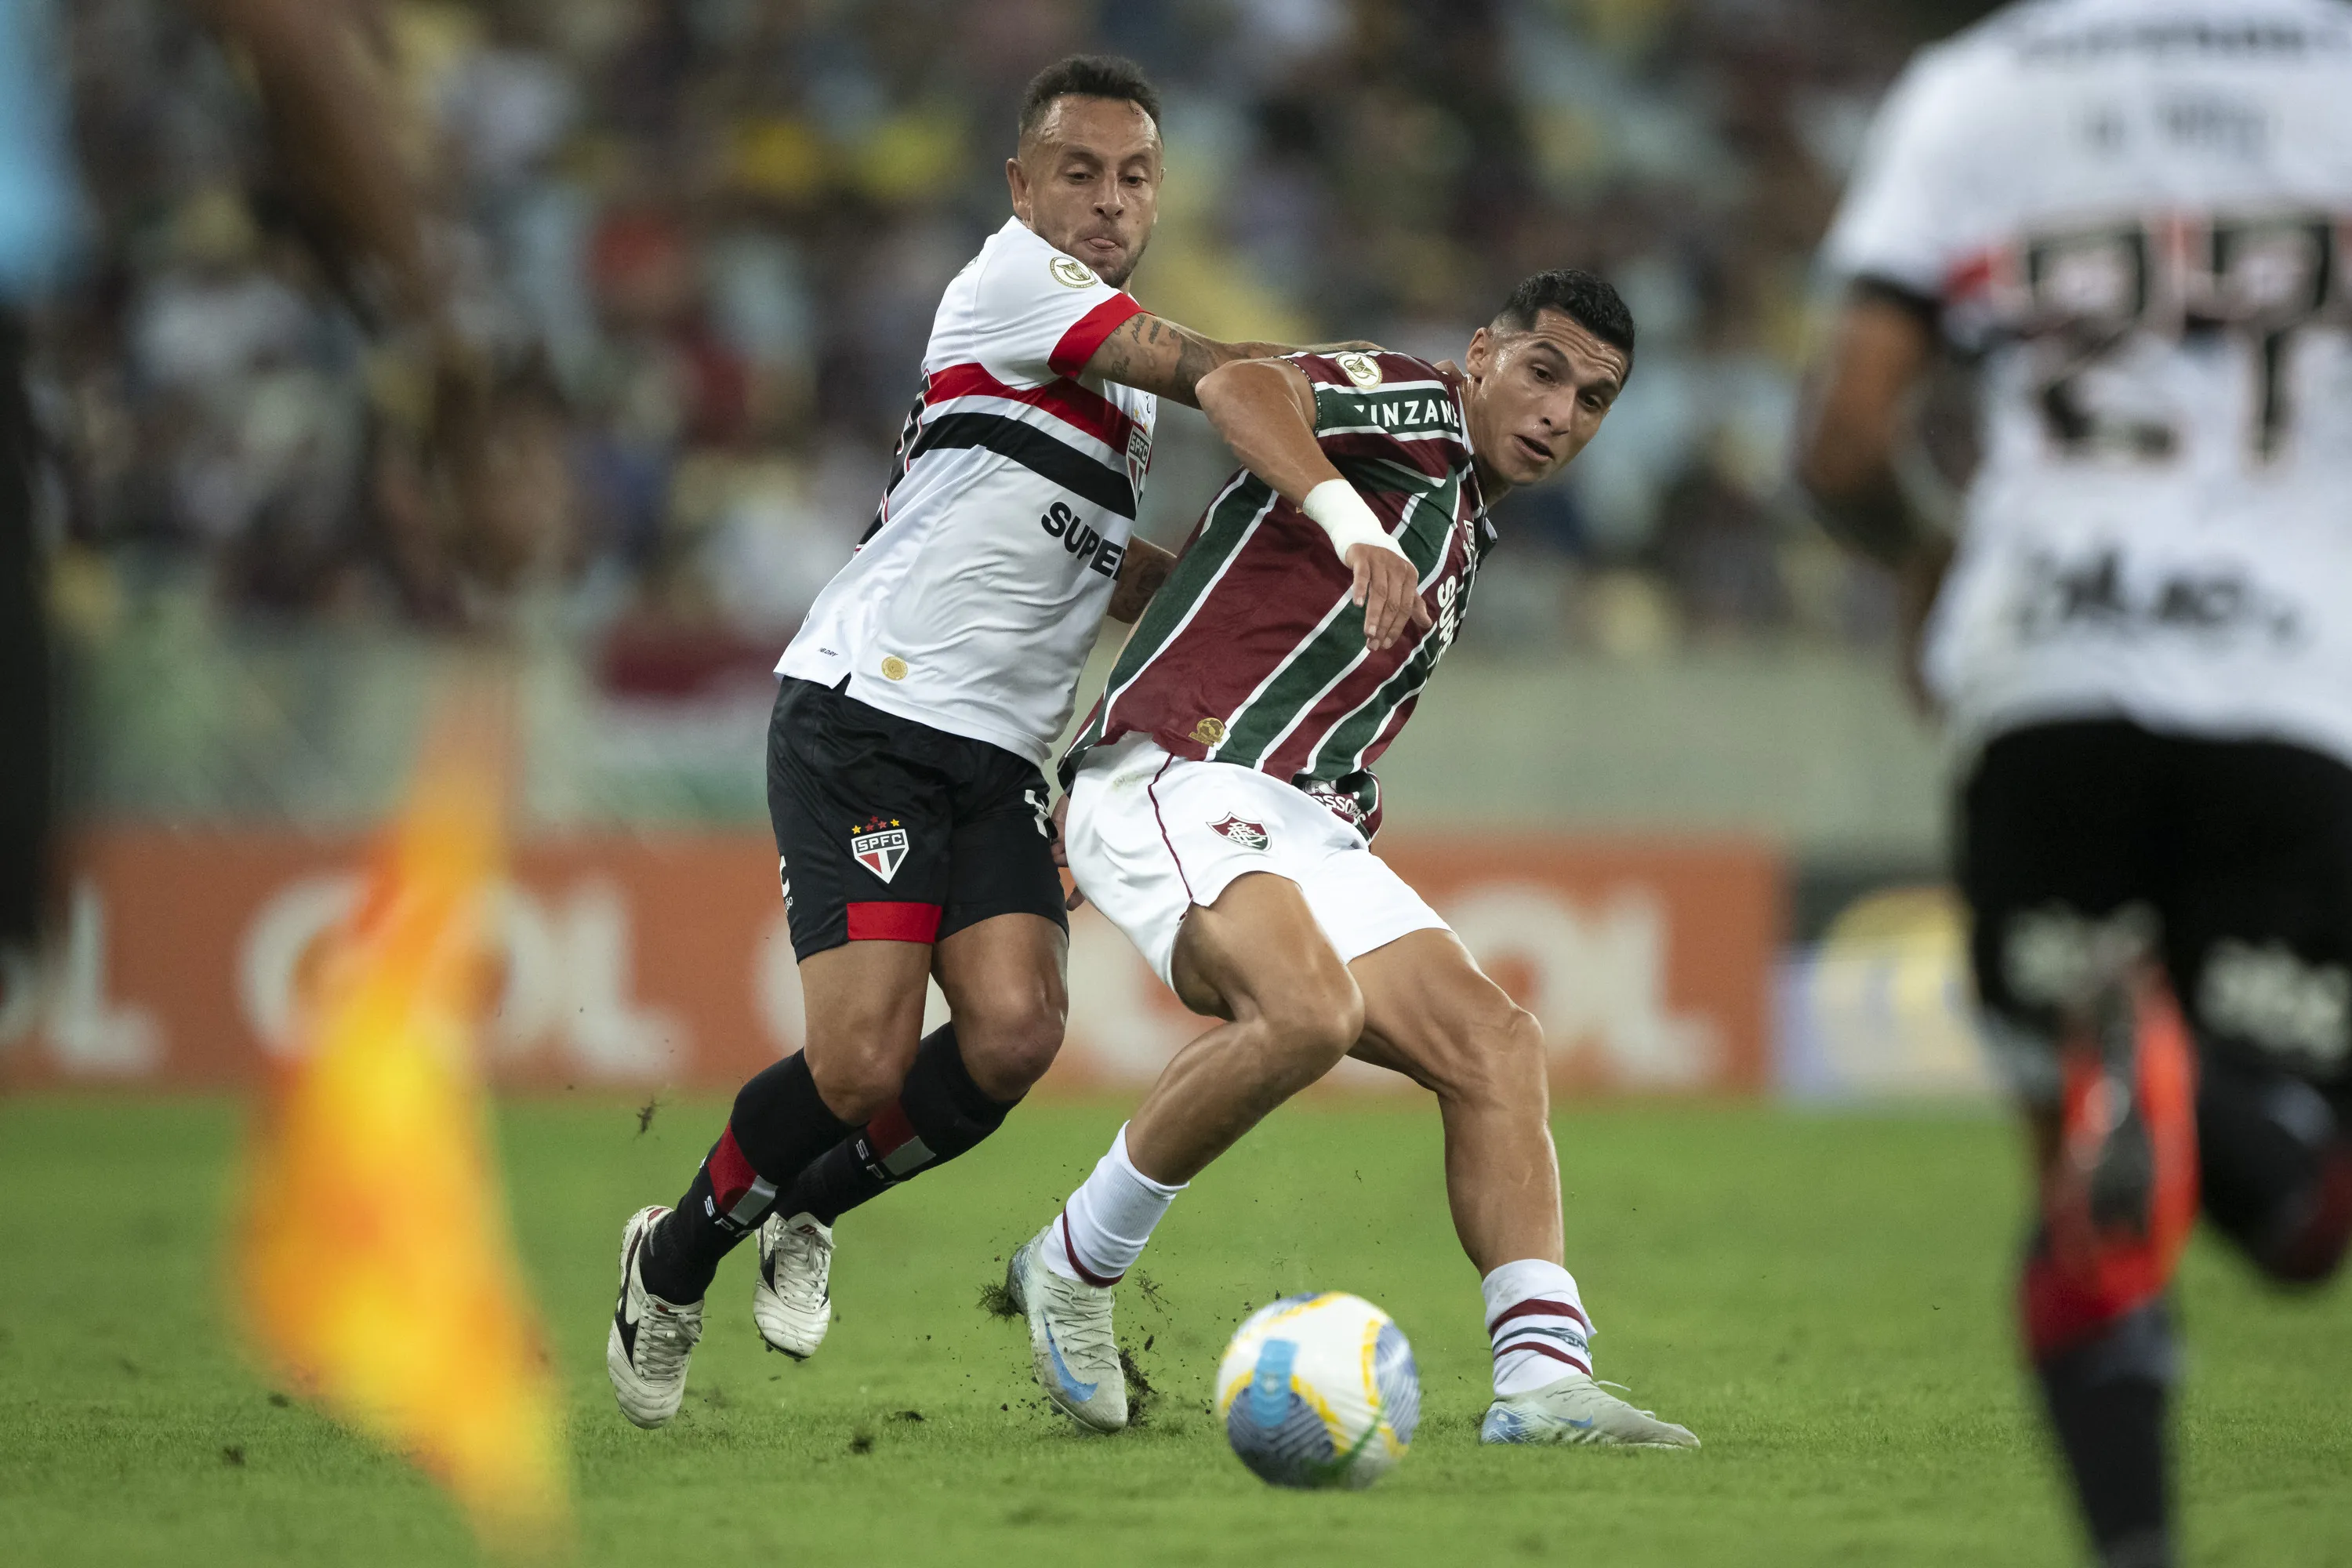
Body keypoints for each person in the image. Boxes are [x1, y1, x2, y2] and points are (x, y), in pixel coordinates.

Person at [606, 55, 1383, 1429]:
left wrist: (1197, 590)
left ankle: (811, 1206)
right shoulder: (1014, 283)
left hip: (1001, 754)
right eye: (1076, 173)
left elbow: (1070, 541)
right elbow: (1213, 371)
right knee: (857, 1068)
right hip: (873, 710)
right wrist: (1346, 443)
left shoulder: (1111, 392)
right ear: (1022, 188)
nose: (1104, 200)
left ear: (1159, 196)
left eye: (1133, 177)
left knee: (1017, 1033)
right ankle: (670, 1261)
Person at [1798, 3, 2352, 1563]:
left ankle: (2134, 1548)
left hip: (2039, 673)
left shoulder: (1979, 90)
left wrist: (1921, 558)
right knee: (2303, 1212)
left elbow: (1842, 438)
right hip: (2296, 685)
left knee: (2087, 1168)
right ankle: (2184, 1073)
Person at [1001, 270, 1700, 1450]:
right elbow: (1244, 385)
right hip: (1181, 770)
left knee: (1496, 1045)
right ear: (1482, 353)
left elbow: (1239, 593)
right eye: (1543, 372)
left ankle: (1542, 1380)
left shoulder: (1469, 518)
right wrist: (1347, 521)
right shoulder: (1417, 406)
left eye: (1592, 401)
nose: (1559, 413)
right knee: (1308, 1014)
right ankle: (1072, 1263)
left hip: (1309, 817)